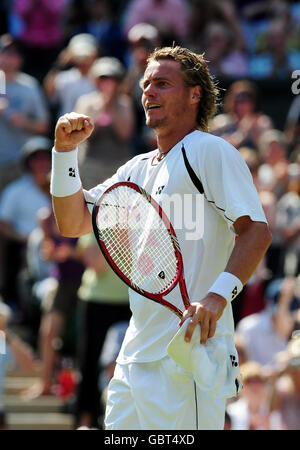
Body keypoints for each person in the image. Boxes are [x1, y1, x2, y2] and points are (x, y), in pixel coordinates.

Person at [50, 45, 272, 430]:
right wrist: (64, 154)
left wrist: (217, 297)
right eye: (146, 84)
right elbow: (73, 222)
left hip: (187, 354)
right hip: (134, 357)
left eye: (163, 83)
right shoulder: (135, 169)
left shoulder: (209, 151)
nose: (149, 92)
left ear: (194, 93)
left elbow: (257, 231)